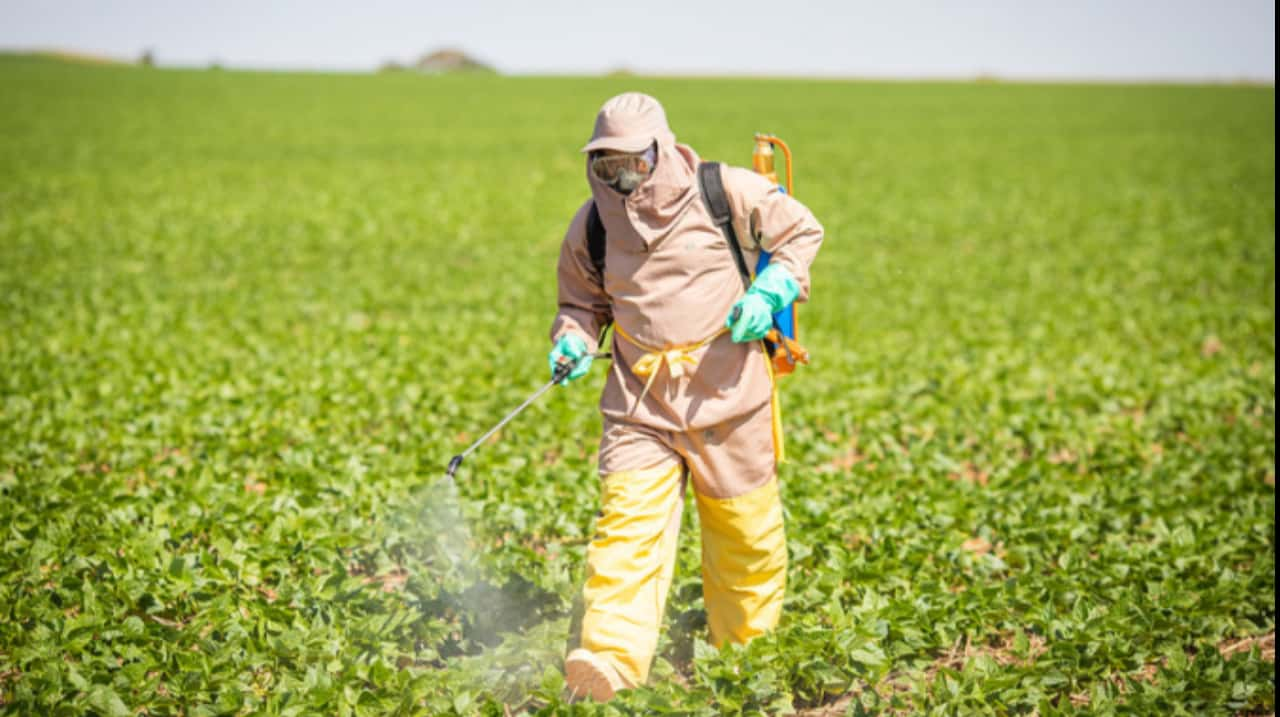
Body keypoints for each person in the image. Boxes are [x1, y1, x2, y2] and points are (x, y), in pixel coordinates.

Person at [548, 92, 824, 701]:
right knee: (626, 529)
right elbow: (580, 303)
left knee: (743, 534)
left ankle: (746, 657)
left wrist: (772, 287)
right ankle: (609, 664)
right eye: (605, 165)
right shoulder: (592, 223)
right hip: (638, 401)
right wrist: (571, 340)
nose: (620, 178)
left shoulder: (724, 190)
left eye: (632, 163)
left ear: (661, 150)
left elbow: (801, 229)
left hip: (728, 397)